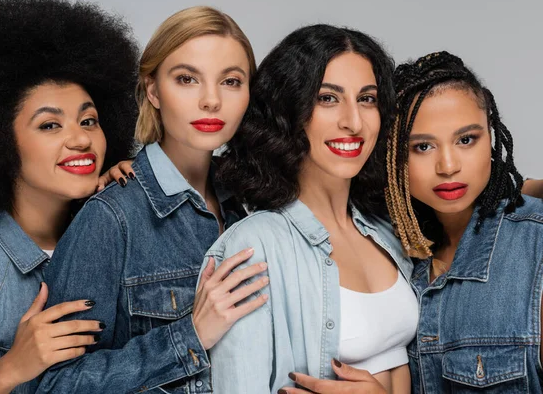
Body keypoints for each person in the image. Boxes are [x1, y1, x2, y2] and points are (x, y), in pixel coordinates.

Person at [38, 6, 268, 393]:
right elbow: (52, 384)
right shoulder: (112, 218)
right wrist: (189, 334)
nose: (211, 100)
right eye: (186, 79)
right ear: (153, 90)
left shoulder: (247, 201)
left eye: (230, 81)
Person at [199, 24, 416, 394]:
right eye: (328, 99)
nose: (353, 121)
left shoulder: (387, 228)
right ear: (290, 110)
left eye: (367, 99)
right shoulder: (255, 247)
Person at [0, 0, 139, 393]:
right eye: (50, 125)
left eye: (89, 120)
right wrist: (12, 368)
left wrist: (129, 195)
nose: (81, 138)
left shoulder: (115, 225)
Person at [386, 51, 543, 393]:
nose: (447, 165)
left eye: (466, 139)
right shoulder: (386, 253)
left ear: (491, 137)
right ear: (394, 156)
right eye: (423, 147)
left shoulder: (536, 248)